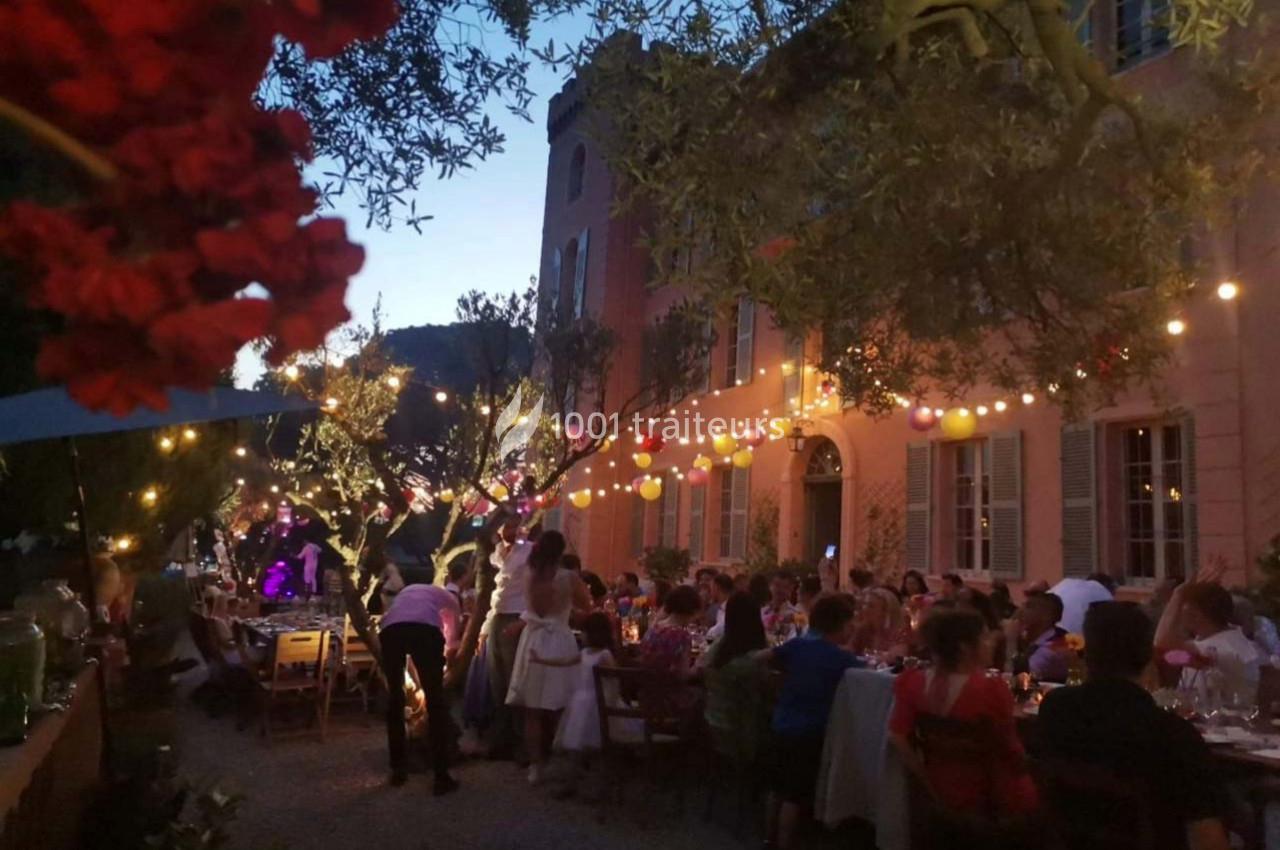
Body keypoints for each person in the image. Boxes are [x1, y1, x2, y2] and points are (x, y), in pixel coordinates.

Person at [1038, 602, 1230, 850]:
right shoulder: (1171, 734)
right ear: (1146, 656)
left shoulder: (1055, 709)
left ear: (1087, 651)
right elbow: (1209, 840)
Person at [889, 609, 1037, 820]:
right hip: (991, 792)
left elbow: (897, 736)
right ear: (965, 648)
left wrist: (924, 778)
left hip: (937, 784)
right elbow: (1010, 749)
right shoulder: (990, 689)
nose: (990, 643)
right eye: (984, 638)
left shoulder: (911, 682)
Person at [761, 594, 862, 850]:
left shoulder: (797, 646)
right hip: (809, 731)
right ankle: (785, 843)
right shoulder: (840, 658)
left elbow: (768, 656)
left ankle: (767, 837)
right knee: (795, 794)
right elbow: (867, 673)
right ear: (840, 626)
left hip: (781, 723)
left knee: (776, 788)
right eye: (850, 625)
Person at [506, 530, 590, 785]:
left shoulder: (530, 574)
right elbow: (586, 606)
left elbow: (530, 608)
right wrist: (569, 610)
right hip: (560, 638)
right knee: (559, 704)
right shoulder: (569, 578)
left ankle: (536, 766)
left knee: (533, 708)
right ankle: (559, 760)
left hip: (533, 638)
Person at [378, 565, 461, 794]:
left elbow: (393, 619)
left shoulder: (404, 594)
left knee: (396, 700)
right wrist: (447, 660)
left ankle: (398, 769)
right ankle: (441, 776)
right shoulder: (446, 595)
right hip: (425, 632)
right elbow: (453, 637)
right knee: (435, 702)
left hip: (391, 632)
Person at [1155, 575, 1260, 705]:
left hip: (1220, 722)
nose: (1178, 614)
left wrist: (1178, 595)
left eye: (1181, 607)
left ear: (1196, 615)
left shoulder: (1224, 648)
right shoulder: (1212, 641)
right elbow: (1170, 656)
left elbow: (1162, 643)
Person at [550, 611, 620, 793]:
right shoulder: (585, 653)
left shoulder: (604, 655)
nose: (581, 636)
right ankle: (572, 782)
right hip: (581, 702)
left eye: (584, 632)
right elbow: (565, 661)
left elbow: (613, 680)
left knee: (594, 747)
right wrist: (542, 660)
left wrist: (611, 701)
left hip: (596, 703)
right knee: (576, 746)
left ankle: (594, 785)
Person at [483, 515, 533, 759]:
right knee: (497, 679)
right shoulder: (496, 553)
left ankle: (521, 743)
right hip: (498, 615)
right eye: (506, 525)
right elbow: (496, 591)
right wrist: (485, 627)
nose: (509, 530)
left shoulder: (530, 551)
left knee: (516, 680)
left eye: (514, 525)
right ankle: (501, 739)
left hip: (516, 615)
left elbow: (536, 587)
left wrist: (524, 619)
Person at [701, 592, 770, 767]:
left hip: (713, 723)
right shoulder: (753, 661)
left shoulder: (717, 649)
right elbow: (765, 687)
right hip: (742, 731)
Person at [640, 584, 702, 674]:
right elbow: (683, 675)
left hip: (647, 684)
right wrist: (699, 664)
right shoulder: (682, 636)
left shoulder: (654, 629)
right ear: (692, 610)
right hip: (670, 686)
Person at [1014, 592, 1072, 682]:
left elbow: (1020, 679)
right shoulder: (1031, 641)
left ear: (1047, 616)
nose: (1020, 611)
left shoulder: (1053, 648)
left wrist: (1010, 641)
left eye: (1029, 607)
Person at [851, 586, 910, 658]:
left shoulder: (899, 632)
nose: (865, 608)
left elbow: (896, 657)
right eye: (865, 604)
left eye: (871, 606)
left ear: (885, 611)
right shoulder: (862, 630)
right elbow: (847, 653)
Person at [1049, 576, 1114, 634]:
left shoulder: (1066, 583)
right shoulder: (1103, 593)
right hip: (1073, 636)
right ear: (1106, 585)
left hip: (1047, 628)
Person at [762, 570, 801, 643]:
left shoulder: (797, 615)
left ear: (791, 589)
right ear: (770, 586)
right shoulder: (761, 612)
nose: (780, 590)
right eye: (777, 585)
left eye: (785, 587)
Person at [706, 572, 735, 640]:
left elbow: (721, 628)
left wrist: (708, 634)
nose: (710, 591)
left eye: (711, 588)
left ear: (716, 587)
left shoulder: (731, 607)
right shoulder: (721, 607)